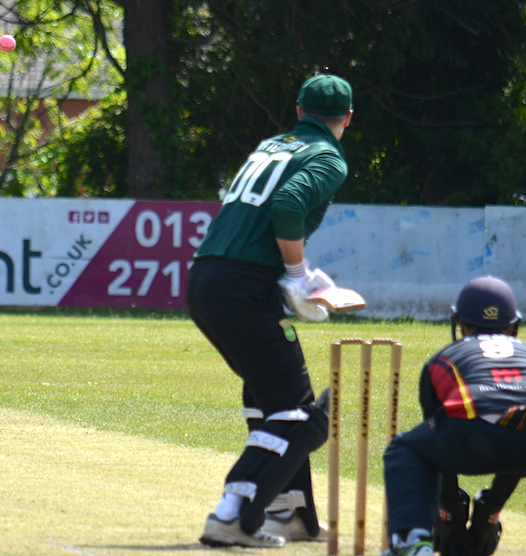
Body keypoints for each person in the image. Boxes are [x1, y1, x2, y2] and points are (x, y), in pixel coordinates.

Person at [187, 73, 354, 547]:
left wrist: (290, 274)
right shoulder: (327, 157)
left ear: (299, 111)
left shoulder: (271, 145)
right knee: (301, 414)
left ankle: (291, 513)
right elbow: (287, 203)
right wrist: (298, 274)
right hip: (242, 287)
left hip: (207, 278)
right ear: (348, 118)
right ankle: (233, 516)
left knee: (271, 398)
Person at [381, 275, 526, 556]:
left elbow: (436, 449)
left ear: (460, 324)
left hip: (470, 433)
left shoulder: (444, 357)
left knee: (405, 448)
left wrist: (450, 516)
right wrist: (488, 516)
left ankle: (412, 542)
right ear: (513, 325)